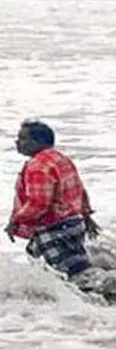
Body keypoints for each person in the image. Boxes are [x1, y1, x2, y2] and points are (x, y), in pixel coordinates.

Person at [3, 119, 101, 279]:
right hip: (73, 224)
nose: (17, 142)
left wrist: (15, 220)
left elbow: (38, 203)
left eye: (22, 138)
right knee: (72, 270)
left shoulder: (38, 167)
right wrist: (86, 215)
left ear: (38, 142)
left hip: (54, 229)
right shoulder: (60, 159)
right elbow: (79, 188)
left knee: (72, 277)